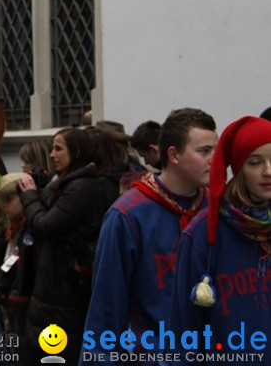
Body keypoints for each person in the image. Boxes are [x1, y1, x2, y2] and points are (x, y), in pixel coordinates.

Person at [81, 108, 217, 365]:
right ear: (173, 155)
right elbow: (107, 308)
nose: (214, 159)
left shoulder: (216, 208)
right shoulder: (127, 215)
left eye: (216, 150)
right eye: (204, 151)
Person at [172, 116, 271, 359]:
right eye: (255, 162)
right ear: (239, 169)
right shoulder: (203, 234)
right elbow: (185, 332)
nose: (268, 171)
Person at [17, 127, 110, 365]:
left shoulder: (81, 188)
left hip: (63, 293)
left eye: (58, 149)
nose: (52, 155)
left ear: (76, 152)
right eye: (52, 148)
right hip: (54, 290)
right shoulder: (68, 184)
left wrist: (29, 196)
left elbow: (45, 225)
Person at [0, 172, 36, 339]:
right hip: (9, 301)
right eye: (3, 200)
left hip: (24, 304)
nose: (5, 206)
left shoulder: (30, 231)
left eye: (9, 200)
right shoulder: (8, 232)